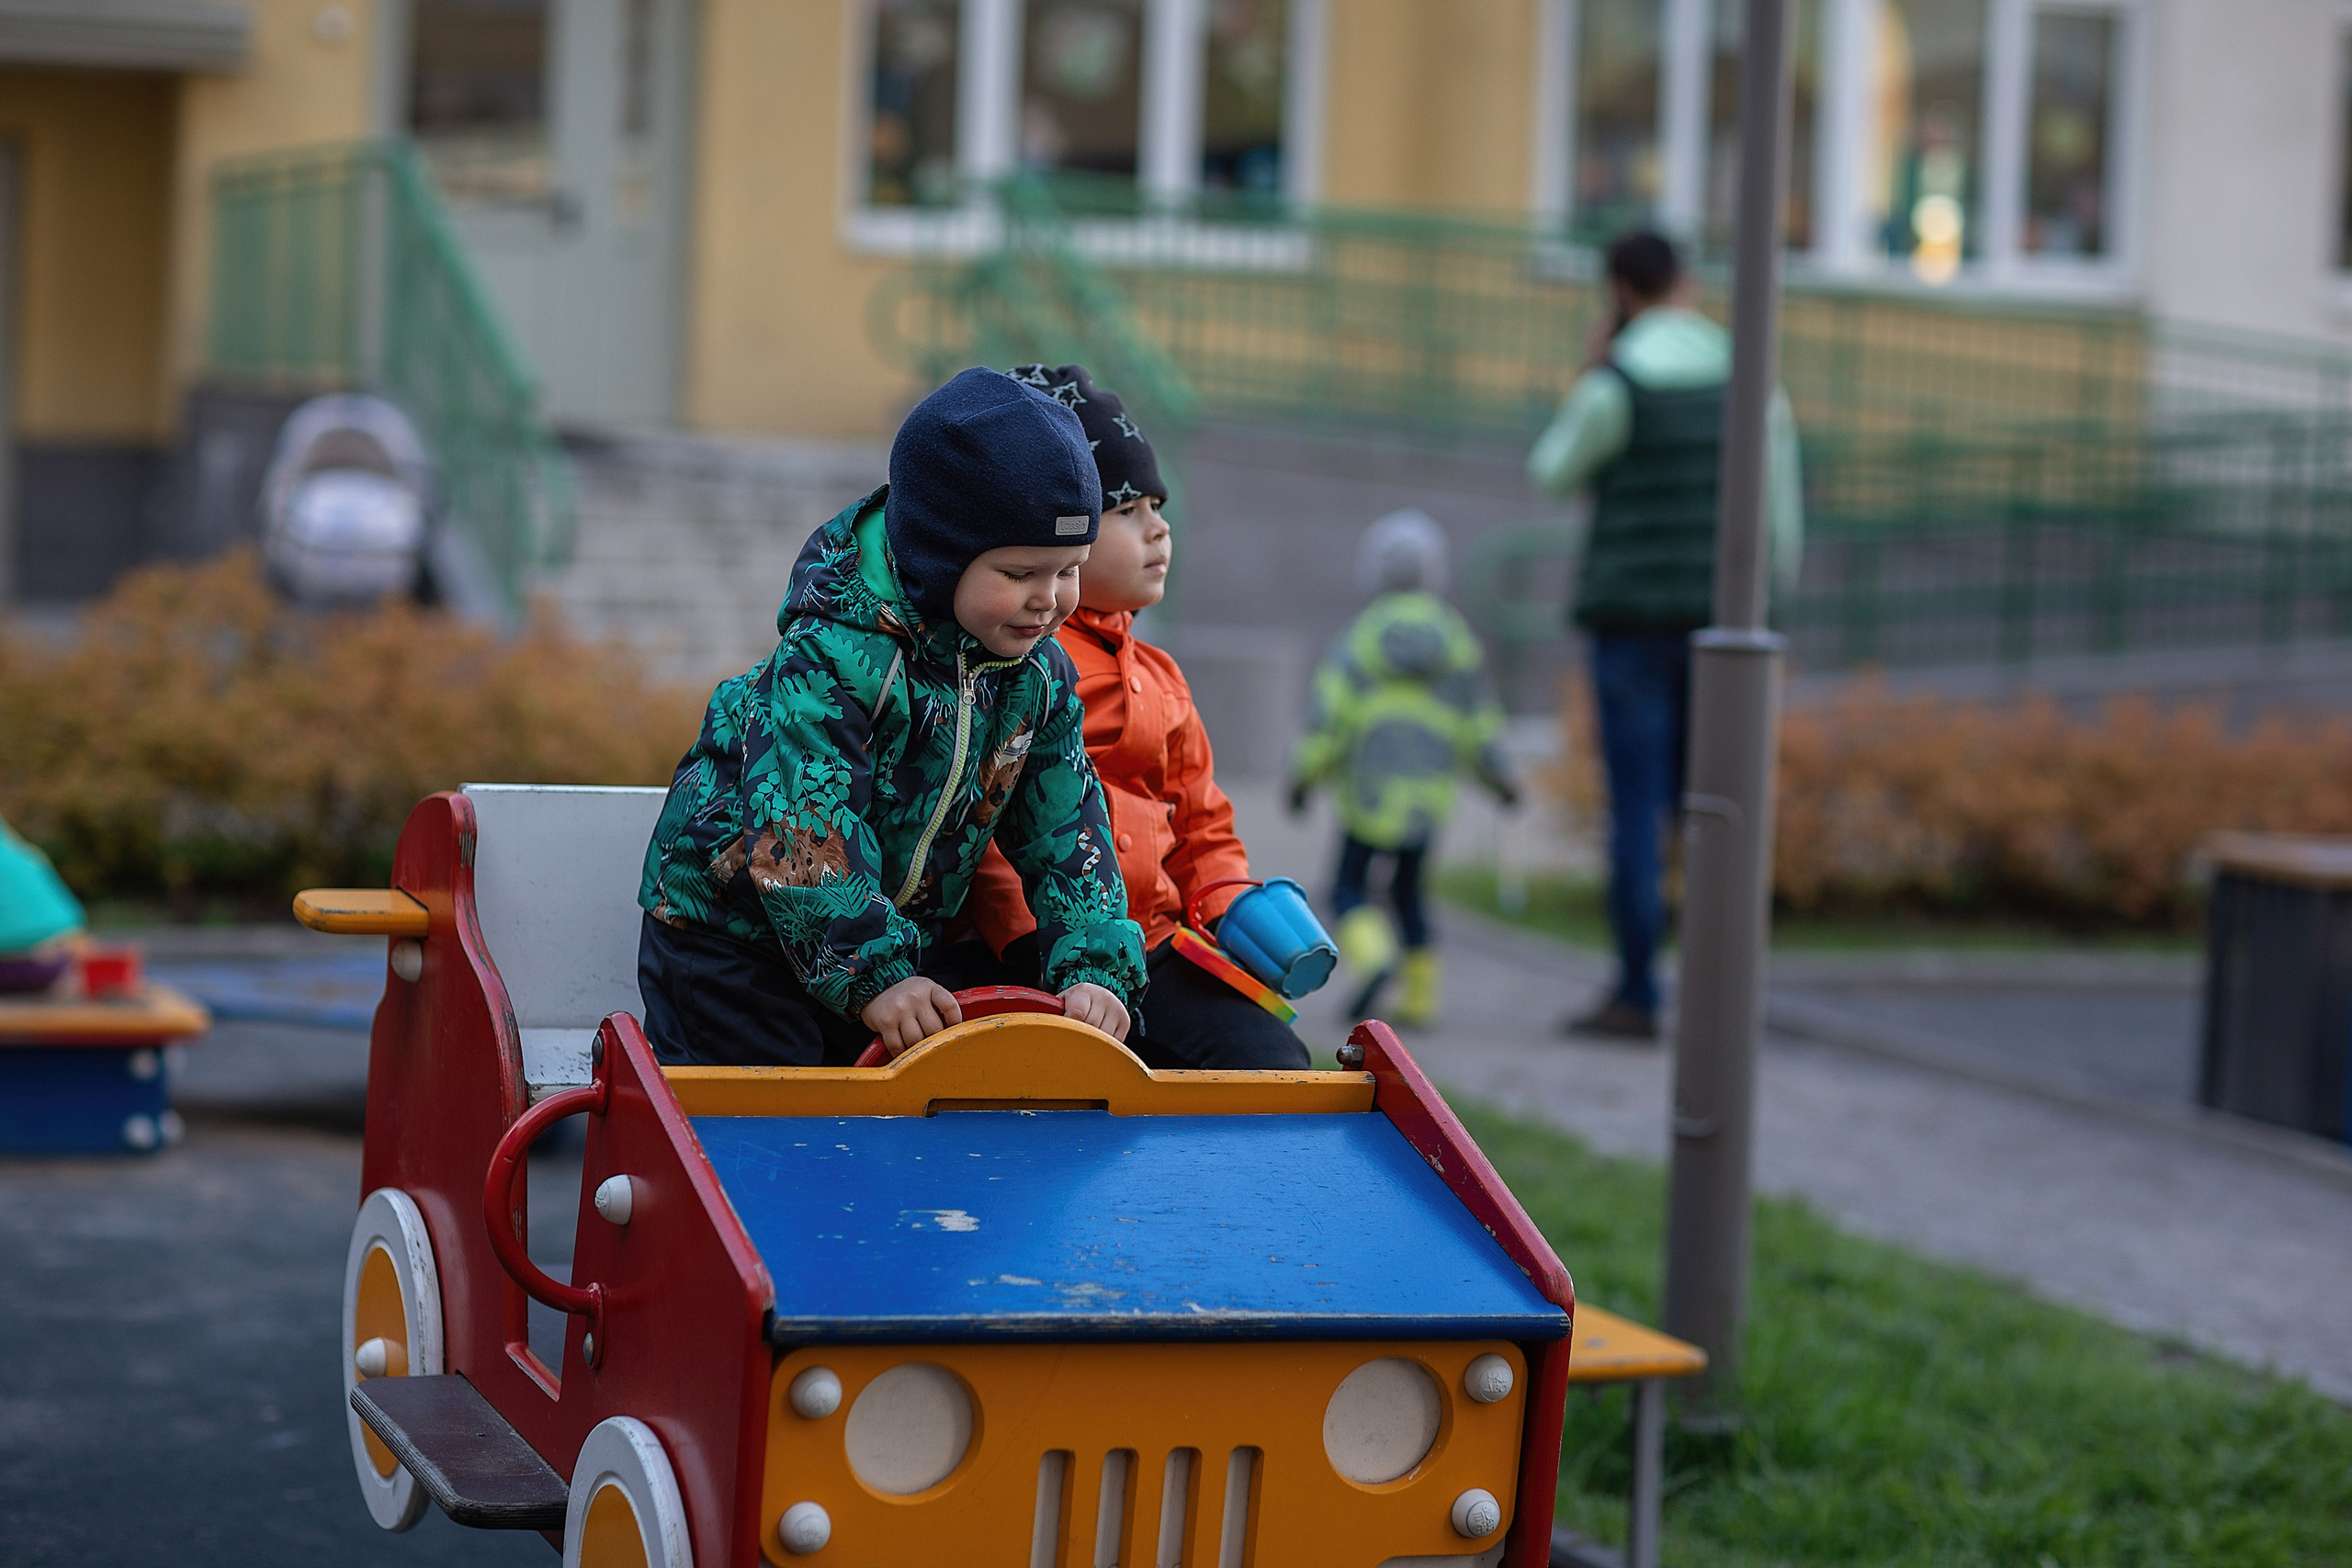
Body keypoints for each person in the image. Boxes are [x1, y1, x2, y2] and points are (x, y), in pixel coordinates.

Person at [636, 367, 1148, 1066]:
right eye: (1020, 573)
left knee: (915, 1102)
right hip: (733, 937)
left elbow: (1067, 824)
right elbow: (802, 833)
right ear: (939, 556)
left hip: (873, 938)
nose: (1049, 599)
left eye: (1067, 570)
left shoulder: (1036, 676)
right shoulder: (835, 659)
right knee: (775, 1122)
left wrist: (1093, 963)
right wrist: (875, 974)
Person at [958, 363, 1310, 1071]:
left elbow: (1201, 820)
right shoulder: (1019, 660)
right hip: (1039, 944)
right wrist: (1032, 939)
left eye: (1158, 506)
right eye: (1128, 511)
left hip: (1152, 943)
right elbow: (991, 826)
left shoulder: (1162, 678)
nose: (1158, 529)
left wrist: (1231, 902)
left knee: (1271, 1065)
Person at [1527, 230, 1803, 1041]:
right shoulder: (1749, 380)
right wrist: (1767, 614)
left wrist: (1591, 365)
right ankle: (1722, 996)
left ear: (1618, 288)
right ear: (1686, 282)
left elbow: (1551, 471)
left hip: (1631, 629)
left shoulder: (1616, 383)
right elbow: (1780, 520)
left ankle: (1637, 991)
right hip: (1724, 632)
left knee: (1638, 807)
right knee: (1717, 807)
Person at [1289, 509, 1519, 1028]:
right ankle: (1420, 1000)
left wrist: (1303, 776)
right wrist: (1498, 776)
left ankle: (1374, 958)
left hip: (1367, 791)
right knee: (1411, 893)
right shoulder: (1456, 640)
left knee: (1349, 886)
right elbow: (1477, 717)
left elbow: (1329, 716)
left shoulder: (1359, 640)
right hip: (1427, 795)